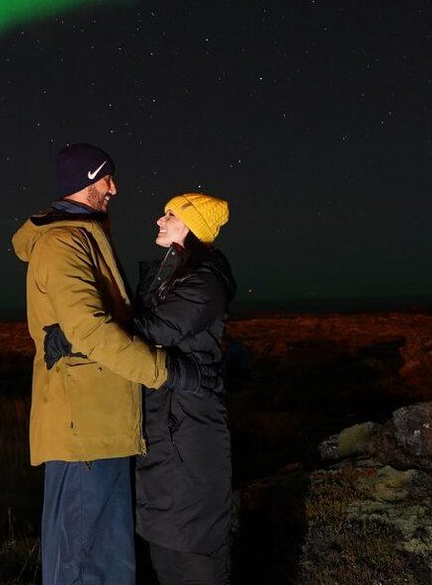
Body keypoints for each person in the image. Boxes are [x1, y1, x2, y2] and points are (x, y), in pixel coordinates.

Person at [13, 143, 208, 585]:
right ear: (85, 182)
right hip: (85, 425)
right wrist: (167, 371)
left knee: (103, 558)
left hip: (101, 422)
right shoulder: (64, 242)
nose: (114, 189)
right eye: (106, 179)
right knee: (87, 562)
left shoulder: (83, 236)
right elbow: (90, 330)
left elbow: (92, 324)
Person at [134, 193, 236, 585]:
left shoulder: (204, 279)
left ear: (192, 225)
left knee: (196, 552)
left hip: (191, 430)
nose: (159, 220)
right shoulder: (171, 273)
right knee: (166, 550)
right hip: (165, 428)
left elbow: (156, 330)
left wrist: (79, 336)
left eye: (170, 215)